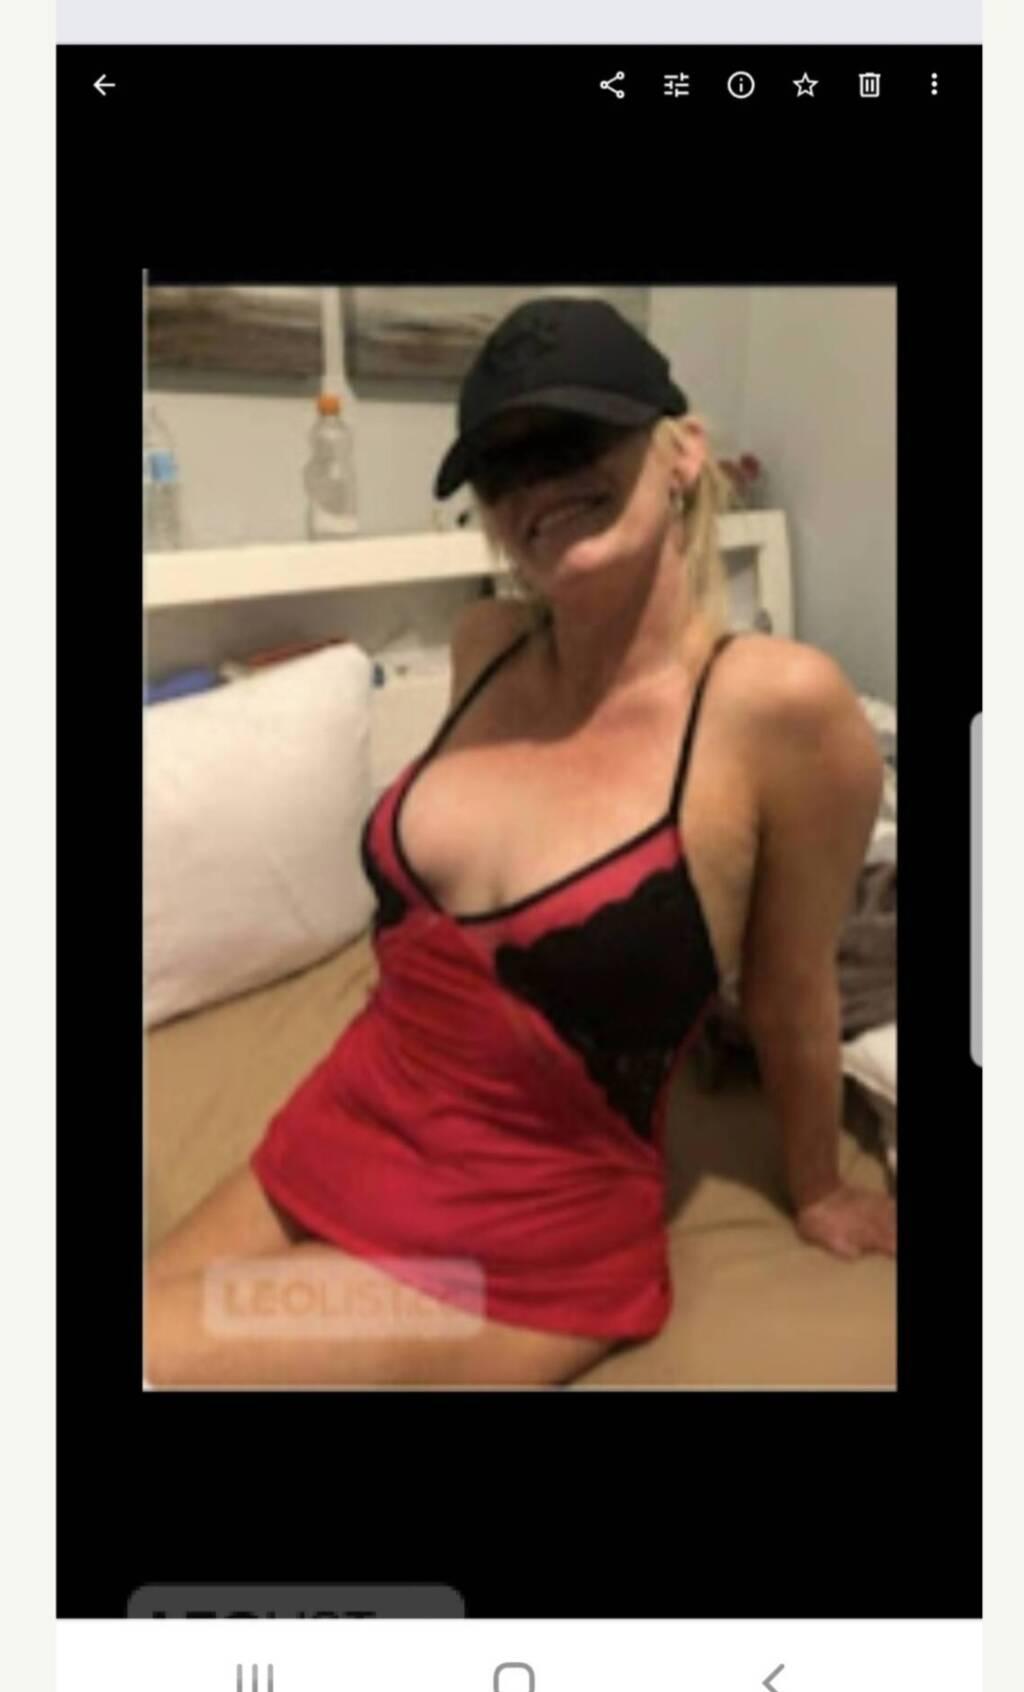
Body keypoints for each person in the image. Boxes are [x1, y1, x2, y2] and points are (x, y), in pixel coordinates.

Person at [146, 296, 895, 1387]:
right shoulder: (484, 642)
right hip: (351, 1114)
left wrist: (818, 1186)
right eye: (501, 468)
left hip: (520, 1241)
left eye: (574, 436)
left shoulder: (778, 708)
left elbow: (790, 992)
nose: (537, 483)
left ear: (682, 452)